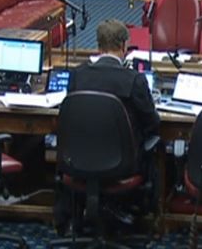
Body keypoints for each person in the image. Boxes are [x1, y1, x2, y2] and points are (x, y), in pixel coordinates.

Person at [68, 19, 160, 152]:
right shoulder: (134, 80)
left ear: (99, 46)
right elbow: (153, 124)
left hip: (81, 159)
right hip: (123, 165)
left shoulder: (77, 75)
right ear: (124, 46)